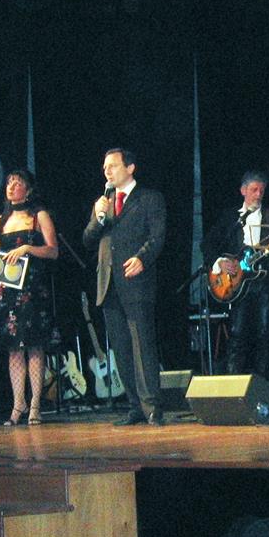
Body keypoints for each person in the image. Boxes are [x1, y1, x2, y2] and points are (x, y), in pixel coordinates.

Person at [82, 147, 167, 426]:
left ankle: (152, 406)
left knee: (143, 344)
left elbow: (157, 236)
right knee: (120, 347)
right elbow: (87, 240)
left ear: (130, 168)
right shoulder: (103, 203)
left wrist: (142, 258)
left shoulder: (149, 198)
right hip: (108, 283)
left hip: (136, 281)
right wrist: (98, 217)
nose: (107, 171)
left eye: (113, 166)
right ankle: (134, 406)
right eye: (104, 167)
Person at [0, 169, 58, 426]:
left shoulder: (39, 216)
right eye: (9, 182)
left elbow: (53, 251)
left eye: (17, 183)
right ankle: (18, 404)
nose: (11, 186)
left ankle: (35, 405)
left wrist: (27, 248)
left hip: (33, 289)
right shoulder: (0, 220)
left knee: (34, 345)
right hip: (8, 290)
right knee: (13, 349)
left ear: (28, 189)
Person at [202, 171, 269, 379]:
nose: (258, 195)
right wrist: (220, 262)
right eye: (254, 190)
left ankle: (262, 385)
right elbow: (208, 244)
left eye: (261, 191)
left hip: (263, 284)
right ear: (243, 191)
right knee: (237, 333)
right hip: (237, 286)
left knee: (265, 334)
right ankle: (234, 383)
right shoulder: (230, 217)